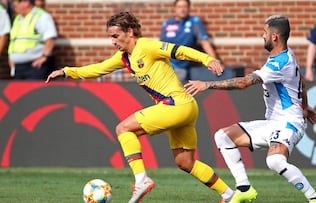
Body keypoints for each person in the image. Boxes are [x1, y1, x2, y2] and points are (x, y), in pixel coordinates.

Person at [45, 11, 243, 203]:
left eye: (116, 36)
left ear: (130, 32)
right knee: (185, 163)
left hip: (176, 105)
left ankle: (142, 180)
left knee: (123, 129)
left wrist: (208, 59)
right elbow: (97, 69)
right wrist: (66, 71)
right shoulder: (123, 57)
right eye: (110, 37)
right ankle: (229, 195)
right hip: (185, 107)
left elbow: (179, 50)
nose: (113, 41)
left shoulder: (146, 46)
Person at [185, 15, 316, 203]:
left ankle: (314, 199)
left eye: (265, 32)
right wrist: (305, 106)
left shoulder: (279, 63)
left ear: (274, 36)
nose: (262, 35)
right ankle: (244, 188)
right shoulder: (285, 55)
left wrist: (207, 85)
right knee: (223, 136)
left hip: (289, 123)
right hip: (274, 123)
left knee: (274, 161)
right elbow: (301, 82)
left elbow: (243, 83)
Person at [160, 0, 218, 82]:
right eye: (179, 7)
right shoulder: (167, 23)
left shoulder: (194, 21)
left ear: (189, 8)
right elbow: (161, 45)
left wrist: (215, 62)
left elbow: (205, 42)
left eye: (185, 7)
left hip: (180, 67)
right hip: (165, 65)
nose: (182, 9)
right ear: (175, 9)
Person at [8, 0, 57, 80]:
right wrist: (11, 59)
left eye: (17, 2)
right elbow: (14, 41)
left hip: (35, 67)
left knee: (35, 92)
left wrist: (44, 56)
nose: (14, 5)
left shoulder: (41, 16)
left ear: (26, 2)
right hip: (18, 68)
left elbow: (51, 37)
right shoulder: (18, 19)